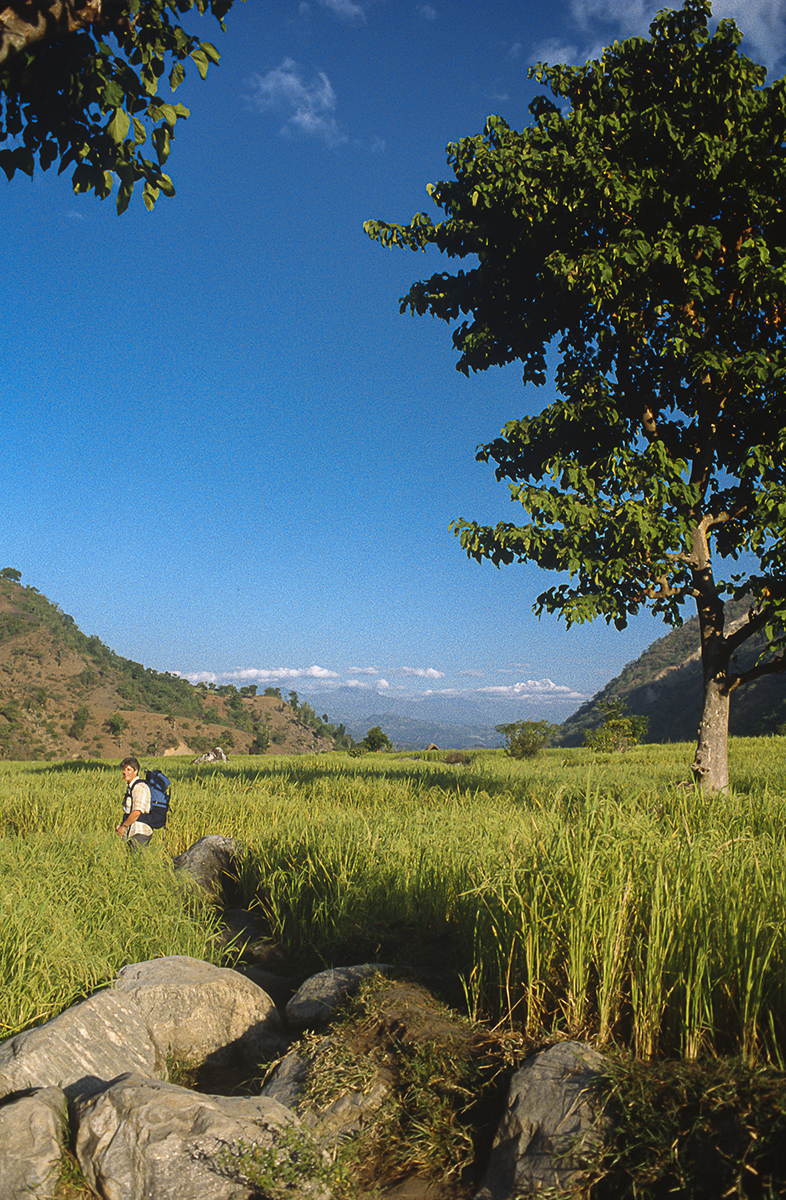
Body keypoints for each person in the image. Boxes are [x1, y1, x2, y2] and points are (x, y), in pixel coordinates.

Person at [117, 756, 153, 850]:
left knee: (137, 860)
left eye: (128, 769)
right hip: (133, 832)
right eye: (124, 769)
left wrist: (123, 827)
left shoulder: (139, 787)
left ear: (135, 771)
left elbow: (137, 812)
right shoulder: (131, 787)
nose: (125, 772)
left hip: (139, 833)